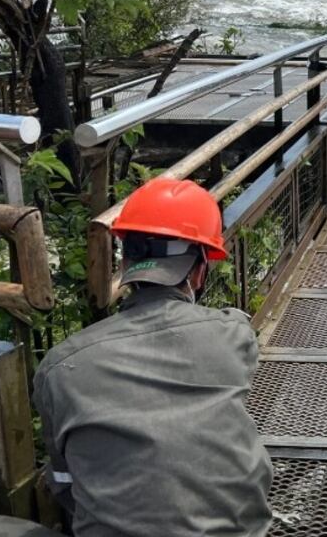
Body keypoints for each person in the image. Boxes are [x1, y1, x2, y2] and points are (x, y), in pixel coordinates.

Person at [32, 178, 273, 536]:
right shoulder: (235, 334)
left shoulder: (61, 365)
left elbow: (65, 480)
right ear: (200, 269)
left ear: (126, 260)